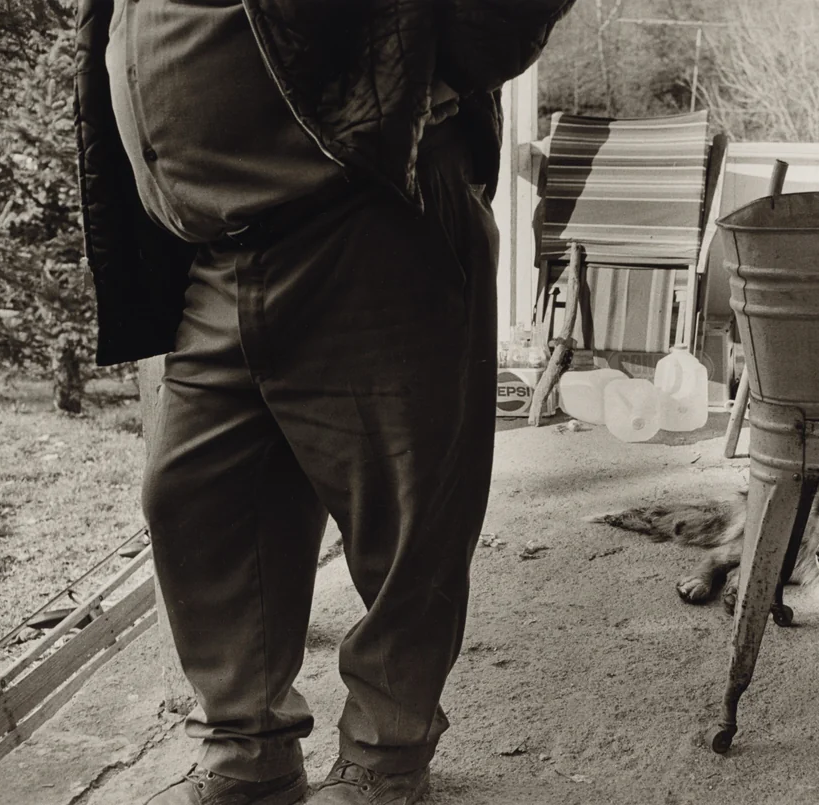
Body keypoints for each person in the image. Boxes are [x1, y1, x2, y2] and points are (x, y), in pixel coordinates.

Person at [72, 2, 575, 803]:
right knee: (199, 502)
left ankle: (385, 756)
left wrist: (435, 70)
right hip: (214, 248)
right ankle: (251, 749)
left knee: (406, 521)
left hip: (367, 215)